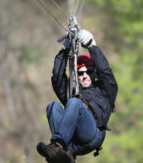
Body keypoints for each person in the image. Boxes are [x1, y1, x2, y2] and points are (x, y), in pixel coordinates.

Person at [37, 29, 118, 163]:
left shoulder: (105, 91)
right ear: (77, 76)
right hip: (72, 141)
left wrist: (92, 46)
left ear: (95, 73)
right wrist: (65, 49)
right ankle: (65, 154)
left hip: (92, 135)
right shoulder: (72, 90)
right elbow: (57, 77)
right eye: (80, 73)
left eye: (89, 71)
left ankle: (57, 146)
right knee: (53, 106)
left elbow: (106, 72)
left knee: (74, 103)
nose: (85, 75)